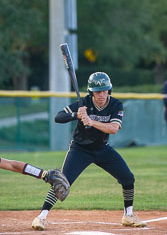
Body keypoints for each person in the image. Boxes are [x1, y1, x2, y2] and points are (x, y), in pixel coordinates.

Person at [32, 72, 147, 230]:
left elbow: (113, 129)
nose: (101, 94)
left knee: (128, 178)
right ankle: (41, 217)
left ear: (109, 90)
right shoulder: (83, 103)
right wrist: (76, 115)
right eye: (97, 91)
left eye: (104, 90)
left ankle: (128, 215)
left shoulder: (115, 105)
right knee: (62, 182)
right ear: (91, 91)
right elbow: (58, 117)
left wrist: (91, 122)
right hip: (80, 149)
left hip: (102, 149)